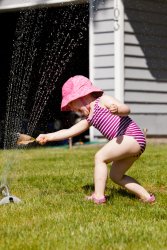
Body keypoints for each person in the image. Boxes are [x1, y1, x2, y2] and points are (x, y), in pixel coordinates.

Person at [36, 75, 155, 204]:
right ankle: (146, 197)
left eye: (71, 103)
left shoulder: (102, 101)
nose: (71, 108)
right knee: (116, 176)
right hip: (131, 143)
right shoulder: (90, 118)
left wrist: (117, 110)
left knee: (100, 157)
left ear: (80, 96)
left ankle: (98, 197)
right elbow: (70, 132)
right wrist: (48, 136)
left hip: (131, 137)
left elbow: (127, 109)